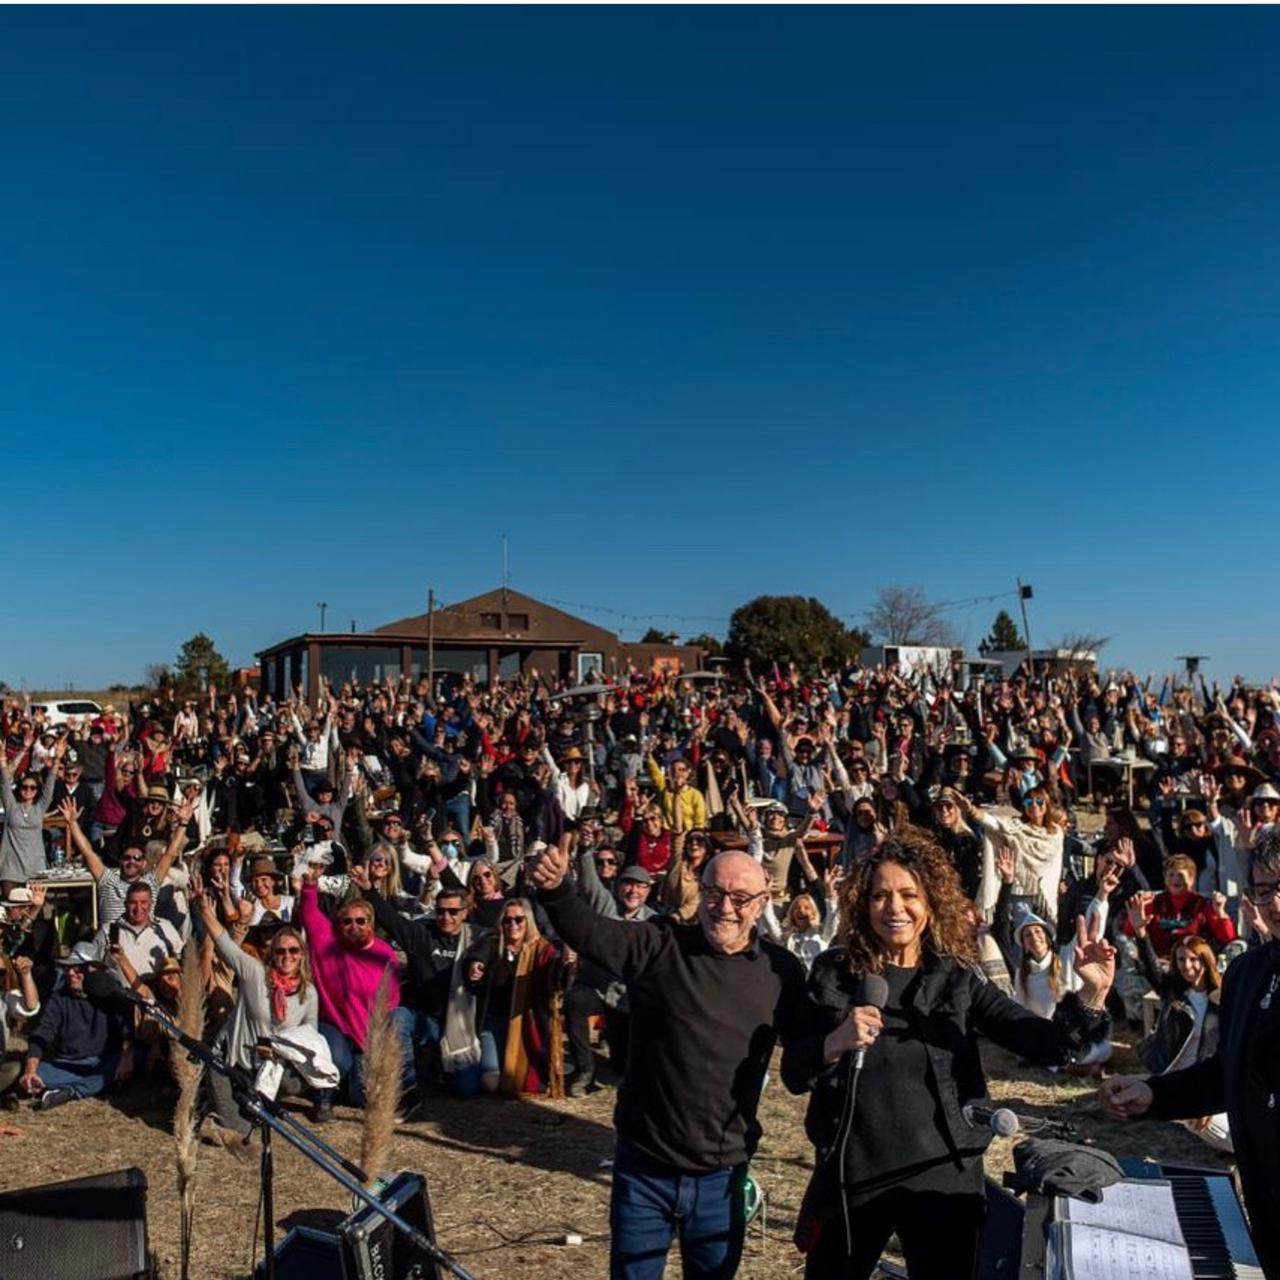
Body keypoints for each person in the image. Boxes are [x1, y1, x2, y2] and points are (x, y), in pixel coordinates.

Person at [781, 833, 1114, 1280]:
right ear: (863, 904)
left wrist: (1091, 993)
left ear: (931, 903)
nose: (894, 908)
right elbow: (795, 1072)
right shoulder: (835, 974)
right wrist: (836, 1041)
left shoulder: (955, 977)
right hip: (851, 1175)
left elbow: (1047, 1043)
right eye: (880, 895)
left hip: (942, 1177)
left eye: (908, 895)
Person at [530, 842, 807, 1280]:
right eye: (715, 893)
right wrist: (557, 890)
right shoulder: (659, 945)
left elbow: (805, 1055)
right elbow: (591, 932)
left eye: (740, 899)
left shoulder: (781, 972)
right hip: (645, 1169)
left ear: (763, 903)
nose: (725, 908)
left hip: (722, 1175)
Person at [1102, 833, 1280, 1279]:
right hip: (1265, 1210)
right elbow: (1227, 1073)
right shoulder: (1247, 973)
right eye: (1264, 889)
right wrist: (1154, 1094)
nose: (1276, 903)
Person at [191, 881, 330, 1138]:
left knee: (294, 1084)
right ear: (272, 954)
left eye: (293, 950)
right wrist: (205, 909)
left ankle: (240, 1100)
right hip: (232, 1063)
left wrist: (281, 1051)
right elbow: (225, 944)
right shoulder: (255, 974)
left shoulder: (308, 993)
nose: (287, 956)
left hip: (270, 1066)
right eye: (280, 951)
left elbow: (311, 1037)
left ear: (301, 954)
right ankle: (208, 1100)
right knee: (243, 1130)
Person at [295, 865, 414, 1119]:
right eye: (347, 921)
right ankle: (323, 1096)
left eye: (361, 921)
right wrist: (310, 886)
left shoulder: (384, 953)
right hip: (334, 1025)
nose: (354, 926)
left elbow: (390, 1001)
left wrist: (372, 1044)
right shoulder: (328, 941)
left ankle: (403, 1089)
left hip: (368, 1034)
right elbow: (309, 913)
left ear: (371, 924)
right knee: (337, 1059)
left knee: (358, 1096)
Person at [458, 897, 566, 1097]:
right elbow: (476, 955)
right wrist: (476, 965)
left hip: (525, 1023)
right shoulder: (492, 943)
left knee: (525, 1081)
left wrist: (566, 963)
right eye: (507, 921)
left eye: (519, 919)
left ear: (529, 921)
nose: (513, 925)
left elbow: (556, 975)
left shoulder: (541, 949)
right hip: (493, 1023)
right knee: (491, 1083)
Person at [19, 940, 132, 1109]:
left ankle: (70, 1092)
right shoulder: (59, 998)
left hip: (104, 1060)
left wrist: (126, 1057)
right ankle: (90, 1086)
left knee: (134, 1058)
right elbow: (43, 1032)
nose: (71, 973)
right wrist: (31, 1070)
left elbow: (127, 1030)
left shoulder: (110, 993)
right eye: (68, 968)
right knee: (40, 1075)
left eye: (78, 968)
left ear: (94, 970)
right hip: (69, 1063)